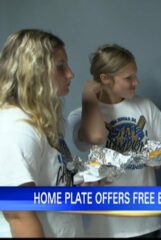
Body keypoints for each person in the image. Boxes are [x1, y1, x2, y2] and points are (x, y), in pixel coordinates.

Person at [68, 43, 161, 238]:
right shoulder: (80, 115)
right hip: (104, 225)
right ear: (105, 79)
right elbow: (95, 137)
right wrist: (89, 96)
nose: (136, 82)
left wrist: (157, 158)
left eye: (135, 75)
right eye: (128, 78)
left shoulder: (146, 107)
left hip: (146, 220)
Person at [0, 29, 84, 237]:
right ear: (33, 71)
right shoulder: (16, 128)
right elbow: (18, 214)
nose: (70, 74)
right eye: (60, 67)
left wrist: (79, 181)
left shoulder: (39, 120)